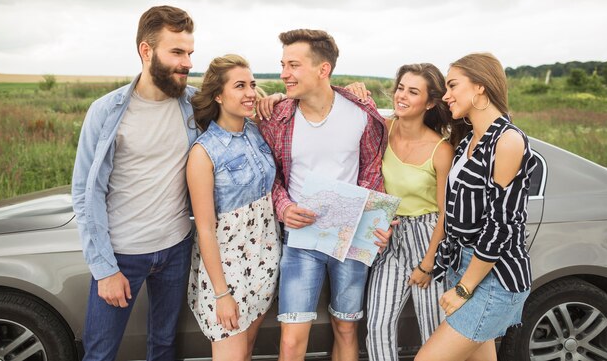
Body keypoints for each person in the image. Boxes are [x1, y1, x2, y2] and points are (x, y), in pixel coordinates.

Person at [71, 5, 199, 361]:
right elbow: (85, 192)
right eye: (176, 52)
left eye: (189, 52)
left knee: (163, 347)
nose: (187, 62)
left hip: (176, 247)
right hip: (121, 254)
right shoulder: (106, 111)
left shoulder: (194, 104)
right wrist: (105, 269)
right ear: (146, 50)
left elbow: (245, 105)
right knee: (100, 353)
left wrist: (273, 99)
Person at [258, 29, 389, 361]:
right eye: (283, 64)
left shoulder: (362, 111)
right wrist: (284, 207)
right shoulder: (277, 117)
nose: (284, 73)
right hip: (301, 240)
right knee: (291, 341)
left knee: (346, 330)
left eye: (293, 65)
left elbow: (373, 173)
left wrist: (378, 224)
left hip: (351, 238)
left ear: (323, 69)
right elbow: (268, 176)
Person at [415, 53, 537, 361]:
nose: (446, 95)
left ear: (480, 87)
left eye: (453, 85)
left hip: (493, 279)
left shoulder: (507, 141)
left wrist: (464, 289)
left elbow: (500, 227)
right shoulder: (470, 138)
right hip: (465, 267)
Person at [347, 63, 456, 360]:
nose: (401, 96)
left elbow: (446, 213)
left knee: (433, 330)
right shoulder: (383, 127)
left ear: (431, 102)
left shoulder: (441, 150)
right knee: (378, 324)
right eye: (400, 88)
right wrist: (354, 90)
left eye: (413, 91)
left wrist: (428, 262)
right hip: (389, 235)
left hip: (428, 238)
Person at [187, 54, 281, 360]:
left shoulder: (255, 132)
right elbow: (204, 228)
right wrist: (221, 294)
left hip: (264, 261)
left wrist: (277, 96)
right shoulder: (204, 152)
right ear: (218, 94)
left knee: (247, 351)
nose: (250, 92)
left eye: (252, 85)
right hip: (229, 270)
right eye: (239, 86)